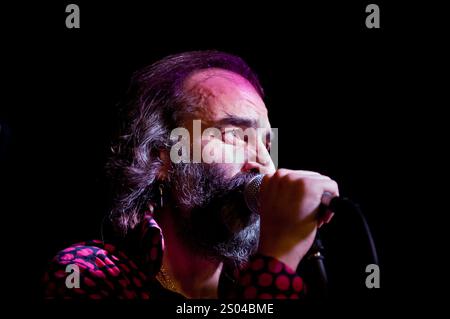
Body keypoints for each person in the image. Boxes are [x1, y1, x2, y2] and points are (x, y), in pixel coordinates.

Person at [43, 50, 338, 299]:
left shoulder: (272, 280)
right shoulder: (91, 274)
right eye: (235, 135)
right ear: (162, 157)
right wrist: (277, 261)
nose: (264, 164)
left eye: (267, 143)